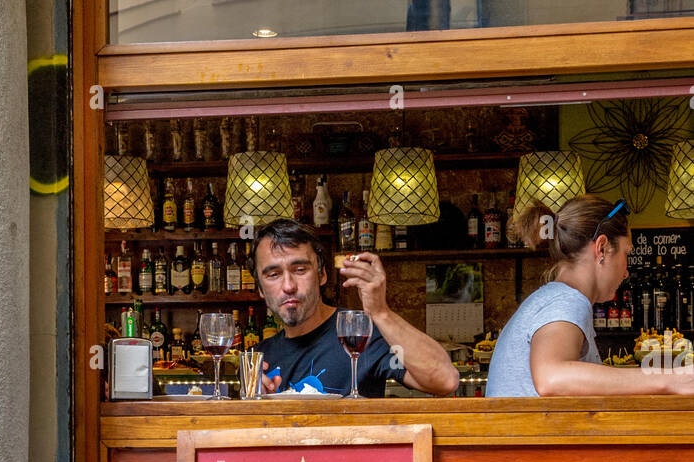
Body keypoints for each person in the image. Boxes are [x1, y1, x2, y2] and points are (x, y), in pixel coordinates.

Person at [485, 195, 694, 397]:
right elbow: (553, 378)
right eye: (626, 253)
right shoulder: (567, 300)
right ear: (601, 248)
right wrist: (673, 379)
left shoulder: (554, 298)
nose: (627, 271)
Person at [250, 219, 458, 397]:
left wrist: (380, 312)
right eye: (273, 274)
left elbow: (444, 380)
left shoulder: (359, 335)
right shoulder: (259, 357)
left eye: (300, 269)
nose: (288, 286)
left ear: (322, 275)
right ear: (260, 288)